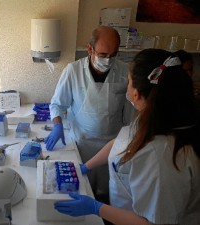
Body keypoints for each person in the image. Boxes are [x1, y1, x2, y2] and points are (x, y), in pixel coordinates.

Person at [54, 49, 200, 225]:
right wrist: (85, 167)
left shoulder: (161, 155)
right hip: (122, 213)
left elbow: (152, 222)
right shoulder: (152, 120)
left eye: (129, 82)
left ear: (136, 93)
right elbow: (120, 143)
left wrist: (97, 208)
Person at [45, 26, 134, 201]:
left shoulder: (125, 72)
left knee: (107, 193)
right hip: (82, 142)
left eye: (113, 55)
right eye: (102, 55)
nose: (108, 60)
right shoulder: (73, 71)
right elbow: (57, 104)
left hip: (112, 143)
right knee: (82, 188)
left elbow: (130, 112)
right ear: (90, 49)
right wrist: (57, 125)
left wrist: (129, 140)